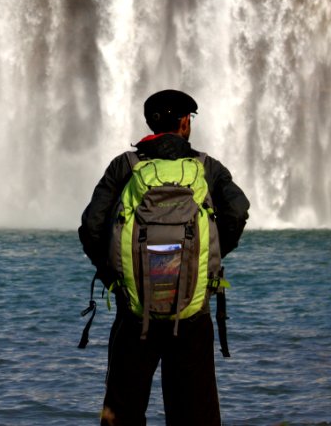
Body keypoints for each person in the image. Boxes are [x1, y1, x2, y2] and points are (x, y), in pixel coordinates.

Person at [79, 89, 249, 426]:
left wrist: (115, 273)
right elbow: (238, 210)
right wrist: (209, 258)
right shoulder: (207, 168)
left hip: (134, 310)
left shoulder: (124, 166)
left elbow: (91, 225)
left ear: (149, 123)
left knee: (122, 412)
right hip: (192, 312)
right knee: (195, 414)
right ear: (185, 122)